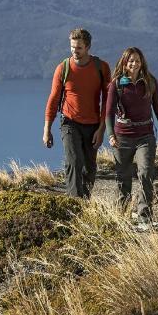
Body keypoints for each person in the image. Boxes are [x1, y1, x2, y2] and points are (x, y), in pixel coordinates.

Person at [43, 28, 111, 198]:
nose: (74, 51)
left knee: (89, 167)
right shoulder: (63, 68)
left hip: (93, 124)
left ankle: (85, 201)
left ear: (87, 47)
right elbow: (53, 99)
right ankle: (75, 203)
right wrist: (47, 129)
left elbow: (108, 102)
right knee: (74, 161)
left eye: (78, 48)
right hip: (69, 122)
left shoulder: (101, 67)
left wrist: (102, 129)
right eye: (72, 47)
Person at [104, 46, 158, 219]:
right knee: (123, 177)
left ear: (142, 63)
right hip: (122, 138)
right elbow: (108, 112)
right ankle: (121, 213)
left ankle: (144, 213)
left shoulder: (150, 81)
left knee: (146, 173)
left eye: (137, 60)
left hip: (145, 136)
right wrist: (111, 135)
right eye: (131, 61)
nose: (134, 64)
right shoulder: (116, 84)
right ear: (125, 63)